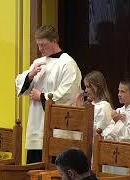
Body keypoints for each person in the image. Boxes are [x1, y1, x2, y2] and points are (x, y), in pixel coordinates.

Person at [15, 25, 82, 163]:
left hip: (57, 129)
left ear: (55, 41)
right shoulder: (39, 62)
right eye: (38, 45)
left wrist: (41, 96)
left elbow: (68, 94)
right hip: (36, 123)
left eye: (44, 45)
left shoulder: (67, 63)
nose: (40, 49)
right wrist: (30, 76)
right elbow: (20, 82)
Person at [102, 78, 130, 142]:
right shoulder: (119, 110)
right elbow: (106, 134)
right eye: (119, 91)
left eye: (122, 92)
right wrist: (115, 122)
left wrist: (118, 122)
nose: (119, 94)